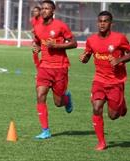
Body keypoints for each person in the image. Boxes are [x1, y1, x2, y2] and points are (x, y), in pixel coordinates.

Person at [79, 11, 130, 150]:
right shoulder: (91, 40)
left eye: (105, 21)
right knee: (96, 107)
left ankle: (121, 106)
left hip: (115, 81)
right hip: (98, 80)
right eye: (100, 21)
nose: (102, 24)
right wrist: (84, 58)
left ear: (111, 23)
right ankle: (101, 142)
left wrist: (119, 60)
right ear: (97, 23)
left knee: (113, 116)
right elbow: (87, 56)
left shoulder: (119, 38)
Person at [32, 0, 77, 139]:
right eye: (43, 8)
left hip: (60, 68)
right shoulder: (37, 27)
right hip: (44, 67)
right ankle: (45, 130)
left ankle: (66, 98)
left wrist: (57, 46)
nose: (44, 10)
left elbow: (74, 43)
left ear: (53, 11)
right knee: (40, 96)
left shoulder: (61, 26)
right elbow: (38, 42)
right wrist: (37, 47)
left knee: (58, 103)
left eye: (47, 8)